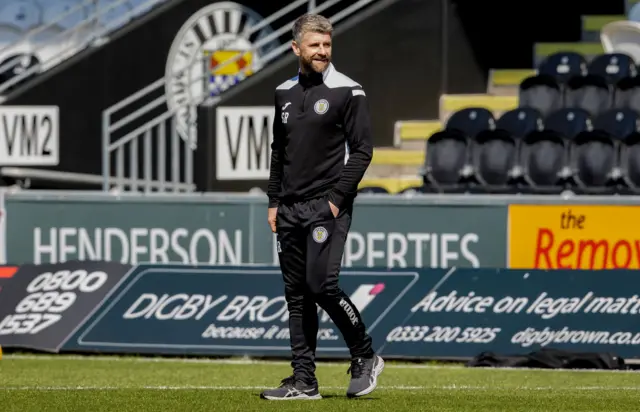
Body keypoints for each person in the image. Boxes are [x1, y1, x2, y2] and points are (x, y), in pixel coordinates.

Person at [260, 13, 384, 401]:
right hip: (290, 209)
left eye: (327, 45)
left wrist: (335, 200)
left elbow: (363, 151)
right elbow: (279, 151)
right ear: (296, 48)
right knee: (296, 294)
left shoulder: (349, 90)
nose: (322, 52)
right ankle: (304, 381)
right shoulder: (283, 92)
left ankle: (365, 355)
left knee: (322, 286)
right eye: (314, 45)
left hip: (327, 207)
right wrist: (274, 200)